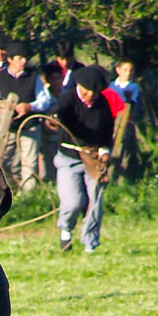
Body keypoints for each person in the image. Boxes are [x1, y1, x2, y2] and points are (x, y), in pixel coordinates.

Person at [51, 65, 114, 254]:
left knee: (95, 200)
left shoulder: (102, 104)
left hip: (93, 157)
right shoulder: (68, 98)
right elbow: (57, 111)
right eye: (87, 92)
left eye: (94, 93)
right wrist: (53, 119)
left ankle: (91, 243)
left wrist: (105, 151)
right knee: (73, 202)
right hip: (68, 157)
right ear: (79, 86)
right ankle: (66, 231)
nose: (90, 96)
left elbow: (107, 132)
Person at [0, 41, 53, 192]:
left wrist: (30, 106)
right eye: (19, 58)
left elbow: (45, 100)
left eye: (25, 58)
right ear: (10, 59)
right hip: (7, 128)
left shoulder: (34, 77)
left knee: (30, 164)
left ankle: (28, 198)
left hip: (29, 126)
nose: (24, 61)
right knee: (1, 161)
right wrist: (4, 112)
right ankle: (10, 191)